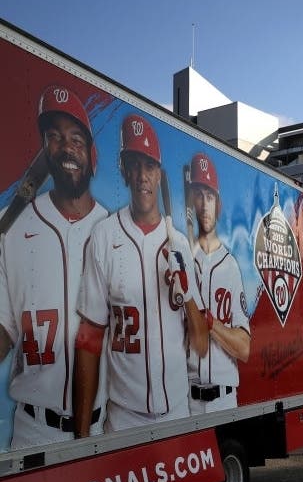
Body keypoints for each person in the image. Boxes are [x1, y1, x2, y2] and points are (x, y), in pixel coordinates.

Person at [73, 114, 209, 436]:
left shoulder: (178, 243)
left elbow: (201, 343)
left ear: (159, 175)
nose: (142, 176)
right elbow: (89, 340)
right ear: (123, 171)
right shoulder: (104, 237)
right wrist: (80, 440)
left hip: (177, 411)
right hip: (123, 418)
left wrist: (186, 293)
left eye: (149, 166)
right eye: (134, 164)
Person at [0, 84, 109, 450]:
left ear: (92, 155)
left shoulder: (115, 232)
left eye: (77, 139)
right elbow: (4, 329)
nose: (67, 148)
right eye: (55, 137)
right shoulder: (11, 228)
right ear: (45, 149)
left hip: (103, 428)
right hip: (33, 431)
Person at [186, 152, 250, 414]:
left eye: (209, 196)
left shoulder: (231, 266)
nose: (204, 204)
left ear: (218, 204)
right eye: (198, 194)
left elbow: (245, 349)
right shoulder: (180, 259)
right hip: (184, 400)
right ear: (190, 201)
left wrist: (211, 325)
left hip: (223, 400)